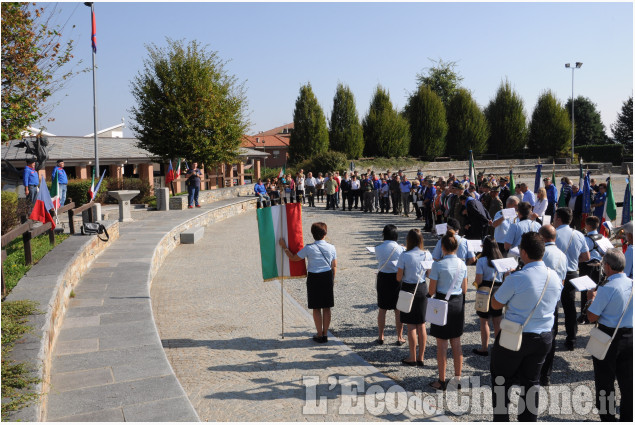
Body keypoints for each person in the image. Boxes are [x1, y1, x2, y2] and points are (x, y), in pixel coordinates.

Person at [490, 232, 562, 421]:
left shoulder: (517, 278)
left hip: (516, 335)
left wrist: (507, 282)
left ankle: (501, 420)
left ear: (523, 252)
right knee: (532, 382)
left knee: (501, 380)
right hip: (544, 336)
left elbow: (495, 304)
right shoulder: (554, 277)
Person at [585, 248, 633, 422]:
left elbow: (592, 317)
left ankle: (608, 418)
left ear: (608, 266)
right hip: (630, 335)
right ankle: (628, 418)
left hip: (608, 335)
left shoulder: (607, 287)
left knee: (605, 381)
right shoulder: (632, 283)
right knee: (628, 382)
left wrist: (591, 298)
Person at [279, 222, 337, 343]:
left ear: (312, 234)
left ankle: (319, 334)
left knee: (316, 308)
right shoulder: (331, 247)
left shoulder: (309, 248)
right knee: (327, 307)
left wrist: (284, 247)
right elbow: (334, 266)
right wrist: (332, 279)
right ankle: (326, 334)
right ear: (325, 233)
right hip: (327, 276)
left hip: (314, 277)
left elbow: (294, 258)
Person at [428, 229, 468, 390]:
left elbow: (431, 291)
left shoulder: (438, 265)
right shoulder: (462, 264)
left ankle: (442, 380)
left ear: (442, 247)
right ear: (456, 248)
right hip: (457, 302)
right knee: (457, 342)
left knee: (442, 344)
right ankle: (458, 378)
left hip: (442, 301)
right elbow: (465, 288)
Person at [553, 207, 591, 350]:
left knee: (554, 306)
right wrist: (574, 261)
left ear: (558, 218)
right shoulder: (578, 234)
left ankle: (552, 335)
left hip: (556, 273)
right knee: (570, 307)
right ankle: (571, 339)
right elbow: (586, 256)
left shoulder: (554, 234)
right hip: (572, 272)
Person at [538, 224, 567, 387]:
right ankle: (546, 375)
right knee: (551, 336)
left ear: (542, 238)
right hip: (554, 300)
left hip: (539, 298)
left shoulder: (542, 253)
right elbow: (562, 280)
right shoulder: (562, 255)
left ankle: (535, 370)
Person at [397, 229, 429, 367]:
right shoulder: (427, 254)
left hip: (408, 288)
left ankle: (412, 356)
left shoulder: (404, 255)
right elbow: (430, 274)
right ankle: (421, 356)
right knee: (421, 324)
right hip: (421, 288)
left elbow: (398, 277)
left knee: (411, 325)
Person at [375, 225, 406, 345]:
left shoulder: (378, 248)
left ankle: (381, 336)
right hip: (396, 278)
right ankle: (399, 337)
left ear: (384, 234)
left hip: (383, 277)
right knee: (398, 309)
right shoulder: (400, 249)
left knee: (382, 309)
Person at [473, 236, 504, 356]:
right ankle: (498, 347)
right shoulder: (501, 260)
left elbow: (479, 279)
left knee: (484, 321)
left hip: (485, 289)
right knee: (497, 320)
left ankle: (484, 348)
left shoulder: (481, 260)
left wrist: (475, 284)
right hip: (498, 290)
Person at [579, 216, 609, 323]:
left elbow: (581, 252)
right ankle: (595, 314)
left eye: (586, 224)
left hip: (587, 267)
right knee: (597, 291)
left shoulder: (585, 238)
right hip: (599, 266)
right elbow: (608, 251)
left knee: (585, 291)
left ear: (589, 226)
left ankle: (585, 316)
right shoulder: (603, 238)